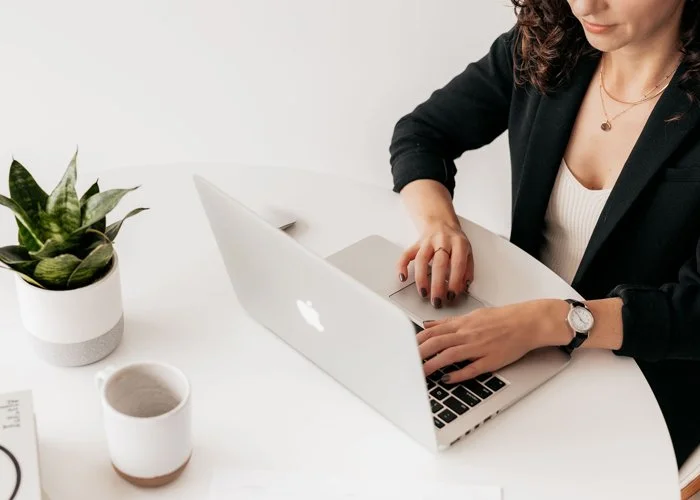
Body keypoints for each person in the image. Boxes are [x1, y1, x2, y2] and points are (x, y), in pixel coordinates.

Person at [389, 0, 700, 469]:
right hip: (513, 338)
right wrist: (440, 225)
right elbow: (422, 133)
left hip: (643, 380)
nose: (586, 5)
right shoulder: (549, 44)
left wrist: (552, 322)